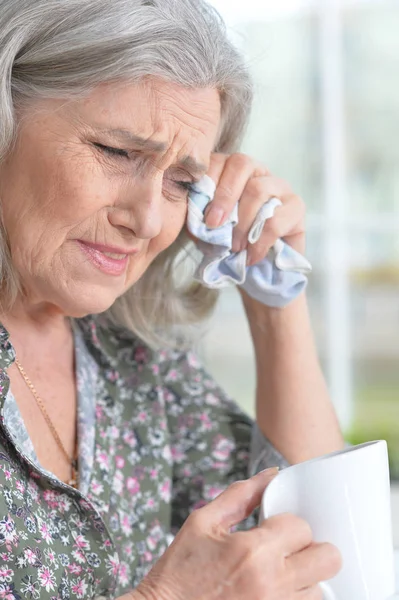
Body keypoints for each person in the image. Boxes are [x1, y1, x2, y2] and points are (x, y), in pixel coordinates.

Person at [0, 0, 344, 598]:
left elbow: (320, 550)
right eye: (115, 151)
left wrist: (275, 303)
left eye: (182, 181)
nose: (149, 219)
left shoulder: (132, 358)